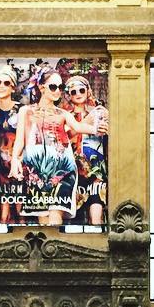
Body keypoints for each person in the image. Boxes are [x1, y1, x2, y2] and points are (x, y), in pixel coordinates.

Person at [10, 68, 104, 225]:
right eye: (53, 87)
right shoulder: (26, 111)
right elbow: (20, 140)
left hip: (63, 171)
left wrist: (96, 128)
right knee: (43, 220)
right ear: (41, 87)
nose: (58, 91)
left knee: (55, 217)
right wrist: (14, 159)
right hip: (37, 172)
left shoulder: (63, 113)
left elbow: (79, 127)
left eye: (60, 88)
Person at [64, 74, 109, 225]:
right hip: (74, 171)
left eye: (81, 90)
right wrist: (89, 120)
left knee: (97, 215)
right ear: (68, 95)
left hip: (96, 169)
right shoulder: (65, 115)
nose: (78, 94)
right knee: (74, 218)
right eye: (73, 92)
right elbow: (67, 135)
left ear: (88, 91)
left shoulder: (100, 112)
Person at [0, 65, 23, 224]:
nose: (1, 86)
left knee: (21, 212)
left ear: (13, 86)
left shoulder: (21, 110)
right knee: (3, 216)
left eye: (6, 83)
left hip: (19, 164)